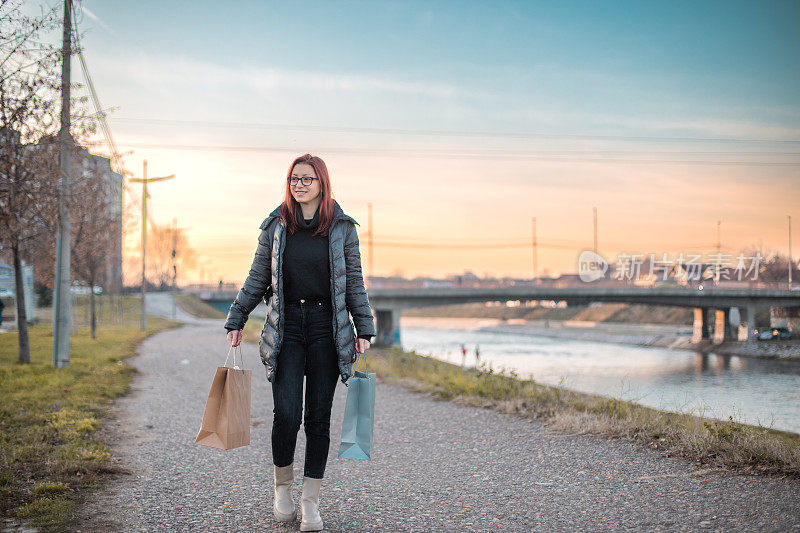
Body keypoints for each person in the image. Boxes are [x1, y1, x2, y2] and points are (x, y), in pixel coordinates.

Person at [224, 154, 375, 531]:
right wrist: (237, 317)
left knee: (318, 421)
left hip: (328, 329)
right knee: (286, 415)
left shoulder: (342, 228)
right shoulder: (276, 226)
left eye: (307, 179)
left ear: (322, 183)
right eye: (294, 179)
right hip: (287, 327)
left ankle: (310, 502)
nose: (299, 185)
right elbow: (258, 276)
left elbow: (353, 281)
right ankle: (283, 491)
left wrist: (364, 327)